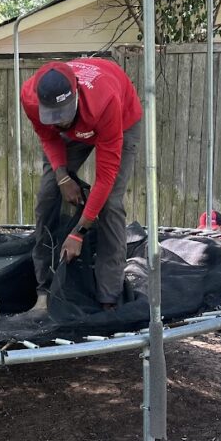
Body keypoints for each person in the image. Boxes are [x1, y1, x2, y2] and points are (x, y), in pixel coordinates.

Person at [20, 58, 142, 312]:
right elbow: (49, 137)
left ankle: (109, 297)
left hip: (119, 120)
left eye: (63, 114)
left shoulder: (105, 100)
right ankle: (44, 290)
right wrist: (63, 177)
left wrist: (79, 231)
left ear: (75, 94)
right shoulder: (30, 97)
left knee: (110, 204)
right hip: (81, 128)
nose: (59, 122)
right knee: (48, 195)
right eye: (53, 116)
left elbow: (106, 176)